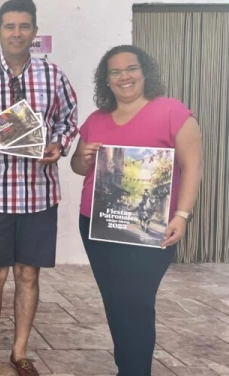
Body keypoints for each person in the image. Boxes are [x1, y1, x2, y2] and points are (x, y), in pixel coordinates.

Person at [0, 0, 78, 376]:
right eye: (10, 26)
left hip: (39, 194)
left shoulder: (54, 77)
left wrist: (59, 145)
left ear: (34, 32)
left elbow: (69, 121)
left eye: (24, 26)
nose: (17, 33)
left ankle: (19, 352)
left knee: (28, 275)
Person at [70, 45, 202, 376]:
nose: (124, 77)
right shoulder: (96, 119)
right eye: (115, 72)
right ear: (106, 80)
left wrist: (182, 215)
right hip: (98, 224)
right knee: (115, 301)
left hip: (150, 227)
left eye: (131, 68)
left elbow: (193, 167)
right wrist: (84, 157)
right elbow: (78, 166)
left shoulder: (172, 112)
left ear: (145, 72)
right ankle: (126, 368)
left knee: (136, 303)